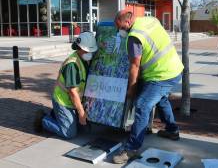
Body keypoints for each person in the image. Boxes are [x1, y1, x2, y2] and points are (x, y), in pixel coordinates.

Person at [112, 10, 184, 164]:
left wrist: (131, 90)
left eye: (121, 28)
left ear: (128, 21)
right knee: (162, 99)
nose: (120, 31)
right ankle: (173, 131)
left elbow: (134, 66)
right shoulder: (150, 19)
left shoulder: (134, 37)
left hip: (161, 75)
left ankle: (131, 149)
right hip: (174, 68)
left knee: (142, 105)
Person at [33, 32, 98, 139]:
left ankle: (57, 115)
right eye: (87, 50)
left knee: (85, 130)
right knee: (69, 133)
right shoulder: (72, 65)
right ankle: (43, 119)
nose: (89, 53)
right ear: (80, 48)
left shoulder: (84, 60)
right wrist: (81, 113)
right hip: (63, 101)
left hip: (73, 102)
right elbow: (73, 92)